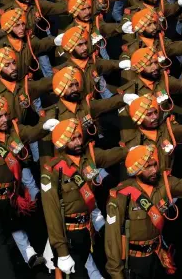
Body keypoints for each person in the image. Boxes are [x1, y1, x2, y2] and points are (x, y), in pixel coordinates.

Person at [105, 145, 182, 278]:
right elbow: (112, 241)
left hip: (158, 257)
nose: (154, 170)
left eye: (155, 165)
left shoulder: (164, 184)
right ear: (136, 170)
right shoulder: (121, 197)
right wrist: (116, 274)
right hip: (135, 262)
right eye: (148, 167)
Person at [41, 118, 128, 277]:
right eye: (72, 139)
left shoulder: (90, 158)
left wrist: (134, 151)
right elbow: (51, 215)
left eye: (79, 137)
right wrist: (62, 252)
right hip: (69, 235)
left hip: (89, 229)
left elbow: (113, 155)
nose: (78, 142)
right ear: (62, 142)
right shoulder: (52, 172)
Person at [0, 96, 58, 278]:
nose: (4, 120)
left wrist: (44, 127)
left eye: (5, 115)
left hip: (11, 202)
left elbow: (32, 133)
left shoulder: (13, 132)